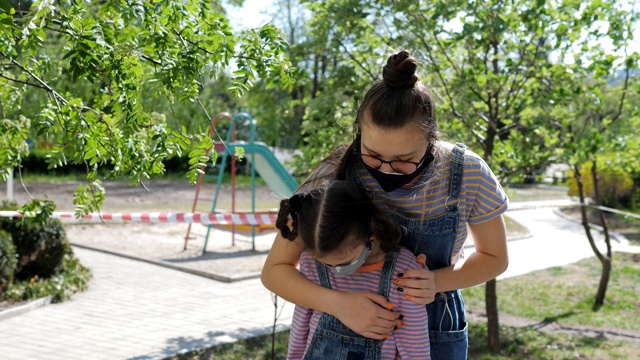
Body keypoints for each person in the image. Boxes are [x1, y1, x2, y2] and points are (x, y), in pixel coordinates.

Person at [262, 50, 509, 359]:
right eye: (373, 156)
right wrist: (338, 303)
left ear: (432, 140)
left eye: (404, 161)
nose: (386, 170)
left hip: (433, 333)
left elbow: (495, 257)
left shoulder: (467, 173)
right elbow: (275, 271)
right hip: (343, 333)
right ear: (359, 132)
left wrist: (437, 281)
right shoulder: (332, 175)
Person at [275, 180, 430, 359]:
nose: (336, 271)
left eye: (345, 263)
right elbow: (301, 324)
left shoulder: (403, 269)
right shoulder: (310, 263)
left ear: (370, 234)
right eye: (327, 265)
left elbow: (414, 340)